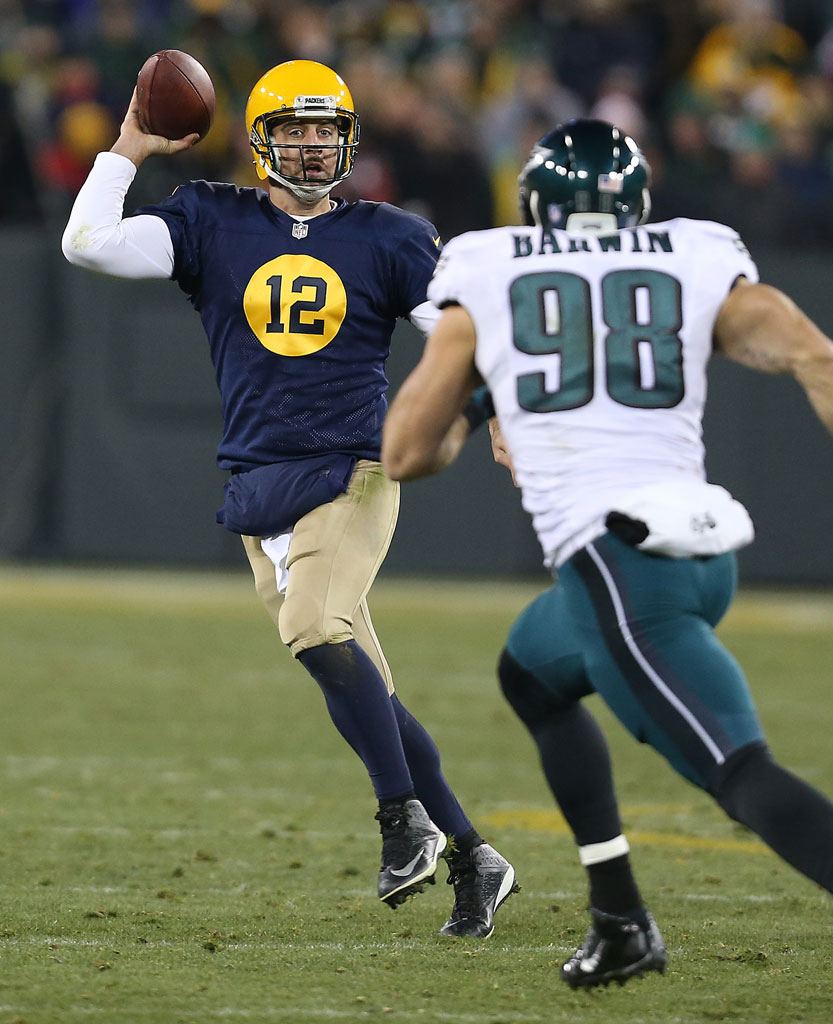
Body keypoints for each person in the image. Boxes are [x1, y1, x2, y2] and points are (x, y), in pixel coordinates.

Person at [381, 118, 833, 1021]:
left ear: (533, 207)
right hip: (698, 554)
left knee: (737, 771)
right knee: (530, 677)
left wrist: (487, 396)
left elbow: (406, 454)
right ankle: (618, 917)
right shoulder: (694, 255)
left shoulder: (487, 271)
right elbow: (817, 356)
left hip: (618, 566)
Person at [61, 58, 517, 938]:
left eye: (325, 129)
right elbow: (87, 242)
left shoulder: (388, 235)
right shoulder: (208, 217)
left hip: (355, 467)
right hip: (260, 476)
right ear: (261, 140)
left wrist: (496, 411)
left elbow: (465, 333)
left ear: (347, 137)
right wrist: (127, 145)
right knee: (364, 683)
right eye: (296, 129)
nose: (312, 146)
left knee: (313, 627)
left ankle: (402, 825)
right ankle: (475, 856)